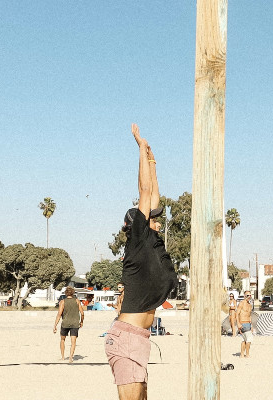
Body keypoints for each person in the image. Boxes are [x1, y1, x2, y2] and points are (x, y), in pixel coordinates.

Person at [104, 124, 178, 400]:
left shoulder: (150, 243)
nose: (156, 220)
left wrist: (151, 160)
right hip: (127, 337)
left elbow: (155, 196)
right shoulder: (137, 242)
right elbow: (145, 192)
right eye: (150, 218)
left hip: (138, 338)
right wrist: (139, 148)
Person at [54, 287, 85, 363]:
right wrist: (81, 321)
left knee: (62, 340)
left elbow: (59, 314)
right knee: (73, 342)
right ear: (73, 293)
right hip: (75, 323)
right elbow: (82, 313)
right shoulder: (77, 301)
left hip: (65, 323)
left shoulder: (63, 302)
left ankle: (63, 357)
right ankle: (71, 357)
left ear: (66, 293)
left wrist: (55, 325)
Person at [238, 290, 255, 357]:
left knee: (244, 340)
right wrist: (238, 323)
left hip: (248, 323)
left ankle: (242, 354)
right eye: (247, 295)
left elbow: (249, 315)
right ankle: (246, 354)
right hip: (242, 323)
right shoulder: (241, 303)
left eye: (250, 295)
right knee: (249, 340)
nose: (249, 296)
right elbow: (237, 314)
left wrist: (251, 325)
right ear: (244, 296)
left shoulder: (250, 305)